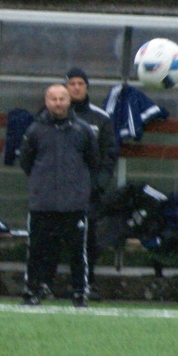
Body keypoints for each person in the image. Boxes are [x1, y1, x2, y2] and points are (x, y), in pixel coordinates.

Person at [17, 83, 99, 307]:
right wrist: (41, 185)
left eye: (62, 99)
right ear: (46, 102)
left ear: (69, 100)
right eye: (53, 99)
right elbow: (26, 162)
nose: (58, 103)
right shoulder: (34, 130)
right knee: (36, 250)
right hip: (42, 204)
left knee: (77, 252)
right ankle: (32, 291)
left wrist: (80, 188)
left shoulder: (83, 130)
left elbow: (93, 162)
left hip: (74, 204)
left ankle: (80, 293)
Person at [64, 66, 118, 298]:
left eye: (81, 84)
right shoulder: (53, 115)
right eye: (72, 84)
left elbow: (110, 154)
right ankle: (44, 283)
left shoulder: (100, 118)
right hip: (57, 190)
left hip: (88, 192)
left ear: (87, 88)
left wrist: (99, 184)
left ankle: (86, 283)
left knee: (88, 237)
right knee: (52, 236)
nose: (76, 88)